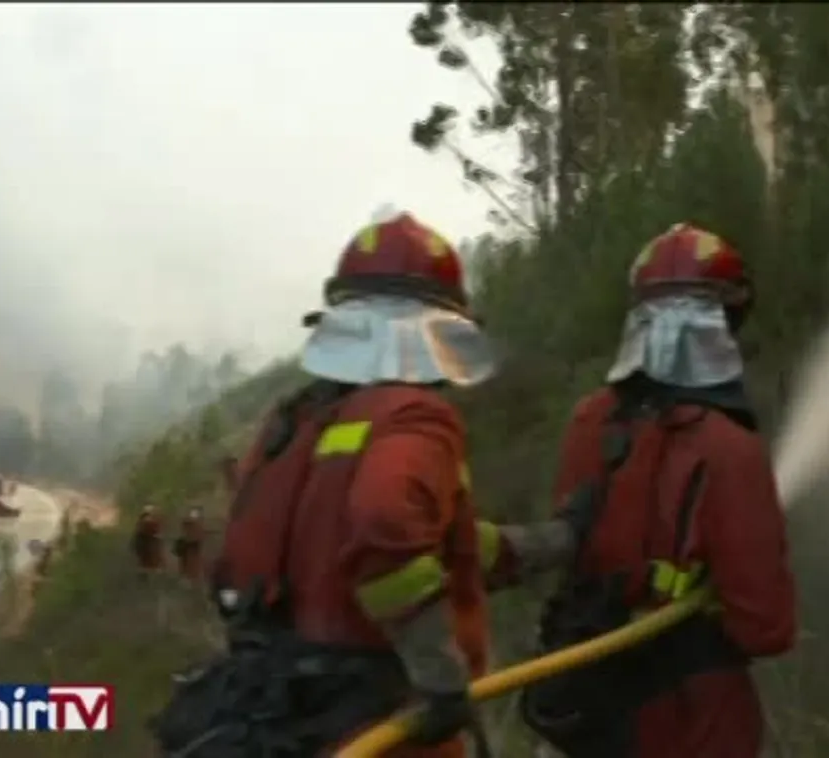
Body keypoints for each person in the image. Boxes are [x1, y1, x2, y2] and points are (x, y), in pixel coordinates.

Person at [153, 212, 586, 758]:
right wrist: (438, 674)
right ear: (439, 331)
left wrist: (553, 541)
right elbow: (386, 525)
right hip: (384, 723)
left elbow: (415, 542)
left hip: (278, 712)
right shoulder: (415, 416)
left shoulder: (292, 424)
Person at [479, 223, 798, 758]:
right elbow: (767, 627)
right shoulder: (727, 447)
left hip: (588, 704)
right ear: (725, 321)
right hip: (689, 719)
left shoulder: (589, 422)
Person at [173, 507, 206, 582]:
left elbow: (200, 536)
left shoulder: (197, 524)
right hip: (189, 546)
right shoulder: (190, 523)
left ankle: (190, 578)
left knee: (192, 564)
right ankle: (188, 577)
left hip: (193, 546)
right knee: (188, 564)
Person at [132, 505, 164, 577]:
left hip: (145, 542)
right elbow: (155, 532)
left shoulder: (142, 522)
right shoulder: (147, 522)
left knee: (145, 560)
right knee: (148, 559)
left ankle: (146, 572)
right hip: (147, 542)